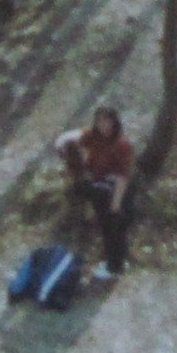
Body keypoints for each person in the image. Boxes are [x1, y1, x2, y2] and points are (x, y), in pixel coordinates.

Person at [54, 105, 133, 279]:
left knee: (113, 225)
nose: (104, 125)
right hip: (98, 185)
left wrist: (116, 204)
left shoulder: (122, 144)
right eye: (100, 121)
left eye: (107, 120)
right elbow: (78, 151)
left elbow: (122, 176)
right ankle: (114, 263)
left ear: (114, 121)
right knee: (105, 225)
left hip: (113, 189)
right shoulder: (90, 137)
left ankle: (115, 267)